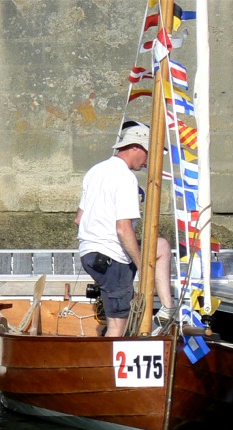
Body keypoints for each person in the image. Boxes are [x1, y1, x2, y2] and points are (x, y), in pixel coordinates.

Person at [74, 121, 175, 337]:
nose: (149, 162)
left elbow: (79, 218)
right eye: (149, 154)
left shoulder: (95, 171)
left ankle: (167, 309)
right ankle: (108, 369)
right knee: (118, 326)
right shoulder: (125, 178)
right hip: (111, 255)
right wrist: (143, 268)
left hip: (90, 253)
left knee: (161, 246)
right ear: (136, 147)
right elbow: (123, 229)